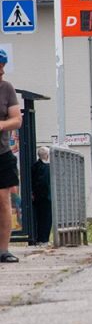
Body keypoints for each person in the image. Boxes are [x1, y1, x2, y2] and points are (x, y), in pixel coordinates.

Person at [0, 50, 22, 263]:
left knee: (3, 200)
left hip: (2, 153)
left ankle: (3, 250)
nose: (2, 70)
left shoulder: (6, 89)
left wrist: (2, 124)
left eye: (3, 65)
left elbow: (17, 119)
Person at [31, 146, 51, 245]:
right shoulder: (47, 168)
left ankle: (38, 238)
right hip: (46, 197)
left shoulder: (34, 166)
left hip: (36, 197)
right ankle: (44, 239)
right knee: (46, 219)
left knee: (37, 218)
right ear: (47, 155)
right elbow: (45, 183)